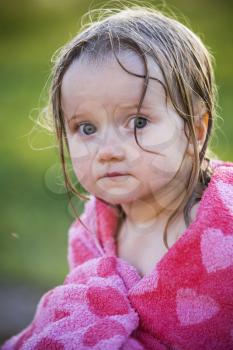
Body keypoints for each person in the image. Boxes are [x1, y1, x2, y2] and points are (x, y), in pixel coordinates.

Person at [2, 4, 233, 350]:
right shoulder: (92, 231)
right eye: (86, 128)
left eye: (138, 121)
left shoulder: (224, 226)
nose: (107, 150)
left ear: (196, 130)